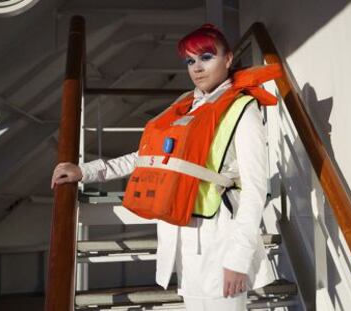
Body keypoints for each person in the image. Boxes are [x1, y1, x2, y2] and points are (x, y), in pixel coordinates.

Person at [51, 23, 280, 311]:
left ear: (229, 59)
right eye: (190, 61)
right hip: (185, 239)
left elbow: (255, 191)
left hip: (221, 239)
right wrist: (86, 171)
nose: (197, 68)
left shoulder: (243, 110)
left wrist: (238, 259)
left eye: (206, 57)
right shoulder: (186, 106)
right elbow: (147, 158)